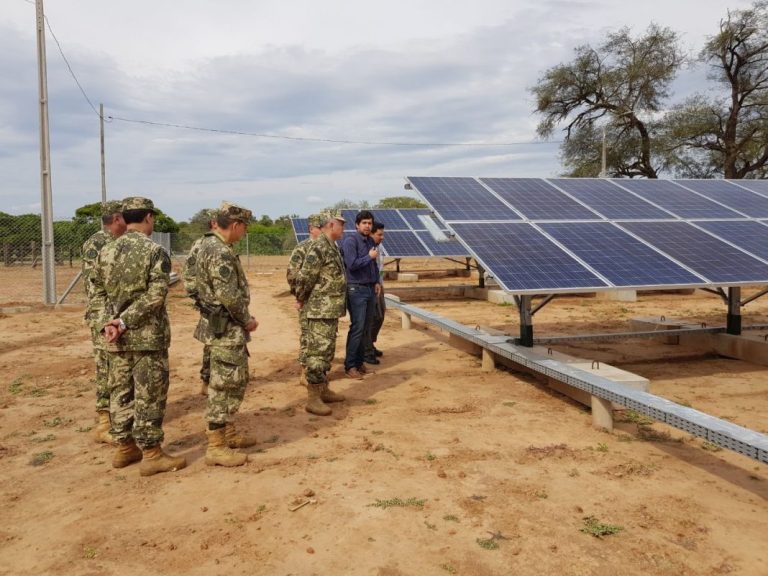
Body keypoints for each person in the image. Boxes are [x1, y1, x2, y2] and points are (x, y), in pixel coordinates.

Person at [91, 196, 186, 476]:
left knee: (120, 393)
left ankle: (124, 448)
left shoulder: (105, 251)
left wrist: (106, 325)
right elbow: (156, 295)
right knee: (149, 395)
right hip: (146, 338)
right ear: (148, 218)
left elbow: (95, 295)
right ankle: (152, 454)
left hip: (114, 340)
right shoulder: (154, 251)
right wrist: (123, 321)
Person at [193, 201, 259, 467]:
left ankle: (228, 433)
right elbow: (229, 295)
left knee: (228, 382)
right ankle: (217, 446)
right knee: (225, 386)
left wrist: (204, 306)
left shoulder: (204, 245)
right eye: (244, 228)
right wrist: (247, 320)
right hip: (227, 329)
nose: (244, 233)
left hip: (217, 325)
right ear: (235, 225)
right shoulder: (219, 251)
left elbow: (191, 284)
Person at [81, 200, 127, 444]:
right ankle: (103, 422)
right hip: (104, 318)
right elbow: (94, 288)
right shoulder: (97, 243)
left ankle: (119, 416)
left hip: (119, 318)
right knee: (105, 369)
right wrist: (104, 322)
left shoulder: (121, 241)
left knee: (119, 369)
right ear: (117, 219)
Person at [294, 211, 347, 416]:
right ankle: (313, 398)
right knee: (317, 355)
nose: (343, 228)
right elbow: (305, 277)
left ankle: (323, 389)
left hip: (329, 309)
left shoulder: (330, 246)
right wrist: (301, 298)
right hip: (318, 309)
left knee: (326, 351)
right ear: (331, 225)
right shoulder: (319, 246)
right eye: (341, 224)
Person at [182, 208, 219, 396]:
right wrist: (200, 299)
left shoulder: (221, 243)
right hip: (210, 304)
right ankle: (207, 380)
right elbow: (188, 274)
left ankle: (215, 378)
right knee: (211, 341)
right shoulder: (202, 244)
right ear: (213, 224)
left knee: (215, 341)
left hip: (220, 303)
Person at [341, 210, 379, 379]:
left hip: (370, 289)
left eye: (370, 223)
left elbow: (374, 265)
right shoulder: (350, 241)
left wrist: (376, 280)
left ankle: (359, 362)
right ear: (357, 225)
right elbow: (352, 264)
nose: (367, 226)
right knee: (357, 327)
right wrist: (369, 257)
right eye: (364, 223)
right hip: (356, 289)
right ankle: (350, 366)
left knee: (365, 328)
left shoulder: (370, 240)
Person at [286, 214, 323, 386]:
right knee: (308, 336)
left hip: (324, 303)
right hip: (308, 301)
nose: (322, 231)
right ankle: (304, 371)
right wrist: (299, 296)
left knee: (321, 338)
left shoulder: (328, 248)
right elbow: (293, 275)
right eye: (319, 227)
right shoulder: (302, 248)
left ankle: (318, 372)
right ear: (311, 229)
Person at [364, 222, 386, 363]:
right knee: (372, 318)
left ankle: (370, 344)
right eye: (379, 234)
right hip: (370, 287)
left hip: (379, 286)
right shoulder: (367, 249)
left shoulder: (379, 247)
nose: (382, 237)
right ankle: (366, 350)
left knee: (380, 315)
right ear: (371, 234)